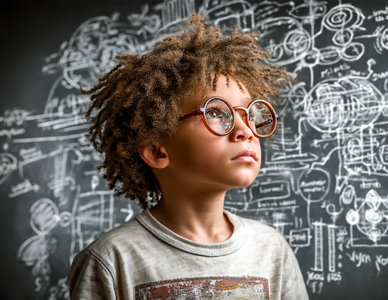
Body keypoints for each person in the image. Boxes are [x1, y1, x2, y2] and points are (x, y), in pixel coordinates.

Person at [68, 13, 308, 299]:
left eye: (250, 114)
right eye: (217, 113)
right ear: (156, 150)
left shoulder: (272, 250)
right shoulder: (111, 261)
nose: (246, 131)